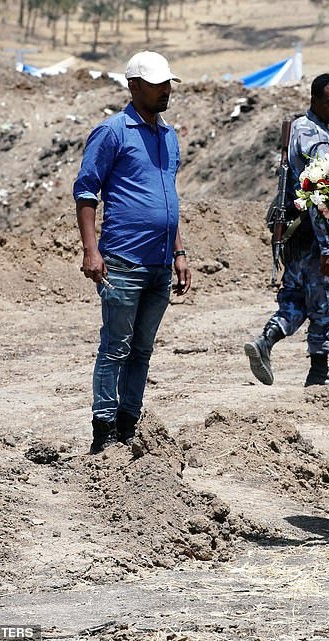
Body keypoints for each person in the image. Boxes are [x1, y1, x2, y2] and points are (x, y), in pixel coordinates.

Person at [73, 51, 191, 454]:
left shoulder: (168, 135)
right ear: (134, 86)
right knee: (116, 347)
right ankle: (103, 430)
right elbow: (86, 192)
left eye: (168, 84)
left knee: (142, 349)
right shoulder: (112, 132)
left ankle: (129, 424)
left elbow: (168, 199)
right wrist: (92, 251)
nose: (165, 91)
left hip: (160, 263)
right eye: (158, 84)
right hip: (122, 260)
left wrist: (179, 253)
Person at [244, 74, 329, 387]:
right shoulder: (314, 137)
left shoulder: (302, 128)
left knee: (296, 299)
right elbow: (318, 195)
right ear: (315, 100)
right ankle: (318, 372)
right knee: (324, 301)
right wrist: (328, 249)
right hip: (311, 235)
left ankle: (266, 340)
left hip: (292, 234)